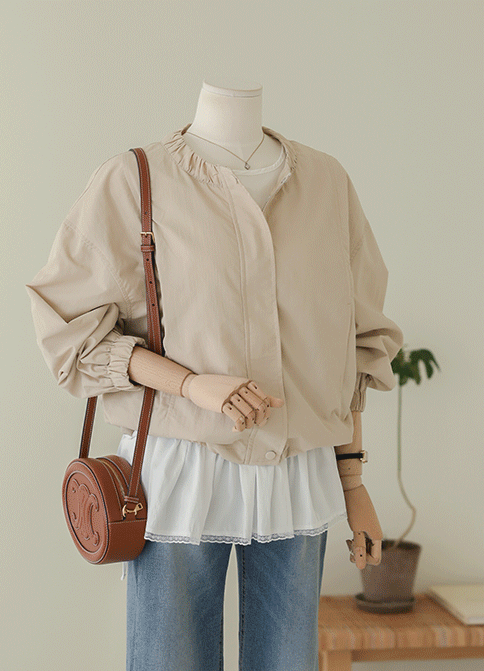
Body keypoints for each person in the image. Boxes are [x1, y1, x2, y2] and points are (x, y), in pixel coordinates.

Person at [25, 79, 403, 671]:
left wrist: (353, 485)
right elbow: (72, 331)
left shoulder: (327, 183)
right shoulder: (135, 180)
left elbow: (352, 344)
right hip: (178, 473)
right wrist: (190, 384)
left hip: (297, 476)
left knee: (288, 662)